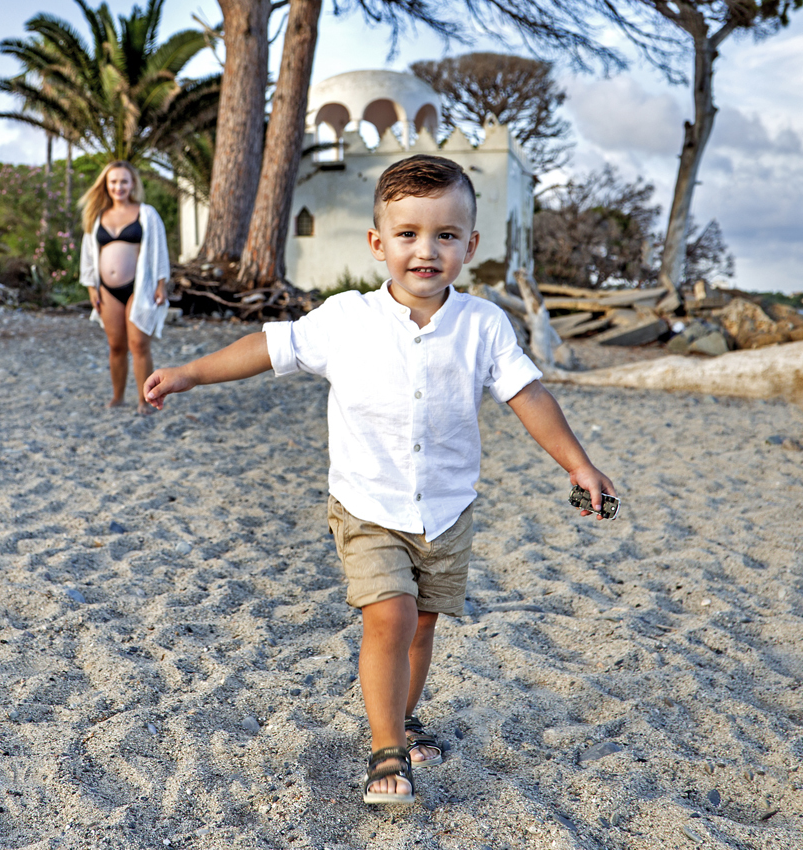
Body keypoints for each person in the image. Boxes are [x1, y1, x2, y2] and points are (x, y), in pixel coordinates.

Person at [143, 155, 617, 805]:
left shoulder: (483, 325)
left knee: (422, 626)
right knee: (389, 616)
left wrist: (578, 464)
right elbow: (268, 347)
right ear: (377, 244)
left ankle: (405, 715)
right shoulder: (346, 319)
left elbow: (528, 396)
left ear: (471, 246)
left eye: (446, 235)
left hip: (447, 510)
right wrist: (189, 372)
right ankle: (385, 748)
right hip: (367, 504)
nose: (427, 250)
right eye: (408, 234)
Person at [78, 160, 170, 414]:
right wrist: (91, 289)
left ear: (133, 184)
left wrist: (162, 284)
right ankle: (118, 397)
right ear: (106, 185)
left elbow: (160, 249)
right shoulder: (96, 216)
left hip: (139, 287)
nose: (119, 186)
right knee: (116, 346)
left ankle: (146, 399)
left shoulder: (147, 213)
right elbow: (88, 254)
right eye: (113, 182)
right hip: (107, 289)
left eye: (124, 181)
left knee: (139, 344)